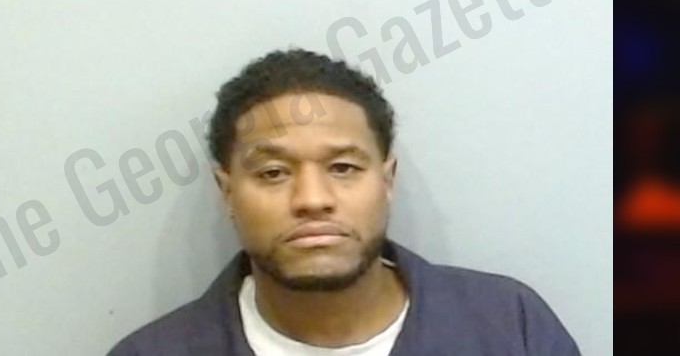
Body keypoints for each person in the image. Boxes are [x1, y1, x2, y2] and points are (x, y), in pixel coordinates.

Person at [108, 48, 581, 355]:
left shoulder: (509, 327)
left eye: (343, 168)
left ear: (386, 180)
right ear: (227, 192)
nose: (313, 199)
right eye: (273, 173)